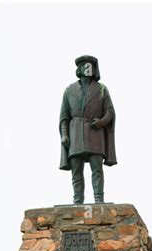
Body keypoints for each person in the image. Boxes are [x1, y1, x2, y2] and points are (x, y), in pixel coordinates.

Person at [59, 55, 117, 204]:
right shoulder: (69, 90)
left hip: (95, 135)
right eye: (84, 66)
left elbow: (110, 112)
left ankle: (99, 199)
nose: (87, 69)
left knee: (96, 169)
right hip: (75, 134)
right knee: (76, 172)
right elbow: (64, 116)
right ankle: (78, 200)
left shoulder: (101, 89)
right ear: (78, 69)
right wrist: (65, 135)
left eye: (90, 66)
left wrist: (101, 122)